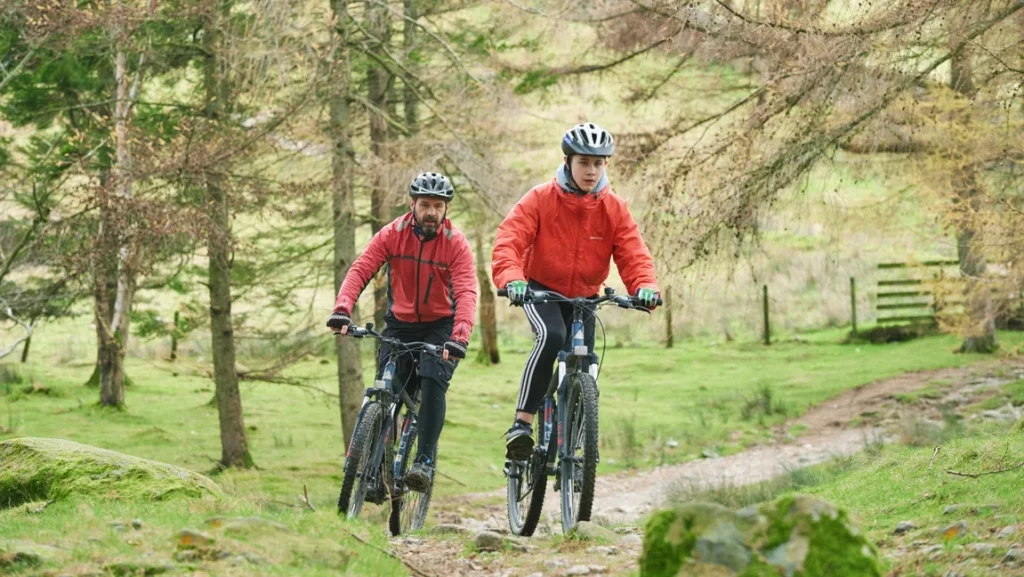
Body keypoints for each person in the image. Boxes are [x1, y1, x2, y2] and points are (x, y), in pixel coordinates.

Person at [491, 123, 660, 460]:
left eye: (598, 164)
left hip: (585, 297)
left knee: (585, 361)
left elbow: (633, 253)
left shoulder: (614, 208)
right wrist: (513, 279)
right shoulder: (540, 199)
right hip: (540, 290)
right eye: (584, 162)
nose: (591, 170)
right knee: (553, 336)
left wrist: (644, 287)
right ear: (568, 161)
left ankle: (576, 443)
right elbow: (509, 241)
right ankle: (522, 423)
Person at [327, 172, 477, 491]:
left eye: (438, 206)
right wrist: (342, 309)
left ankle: (423, 462)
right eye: (425, 204)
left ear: (446, 208)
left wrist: (460, 336)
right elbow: (361, 269)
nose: (431, 212)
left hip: (442, 327)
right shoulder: (392, 234)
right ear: (412, 204)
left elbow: (466, 291)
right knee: (387, 390)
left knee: (432, 380)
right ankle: (377, 470)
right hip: (400, 323)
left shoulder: (456, 244)